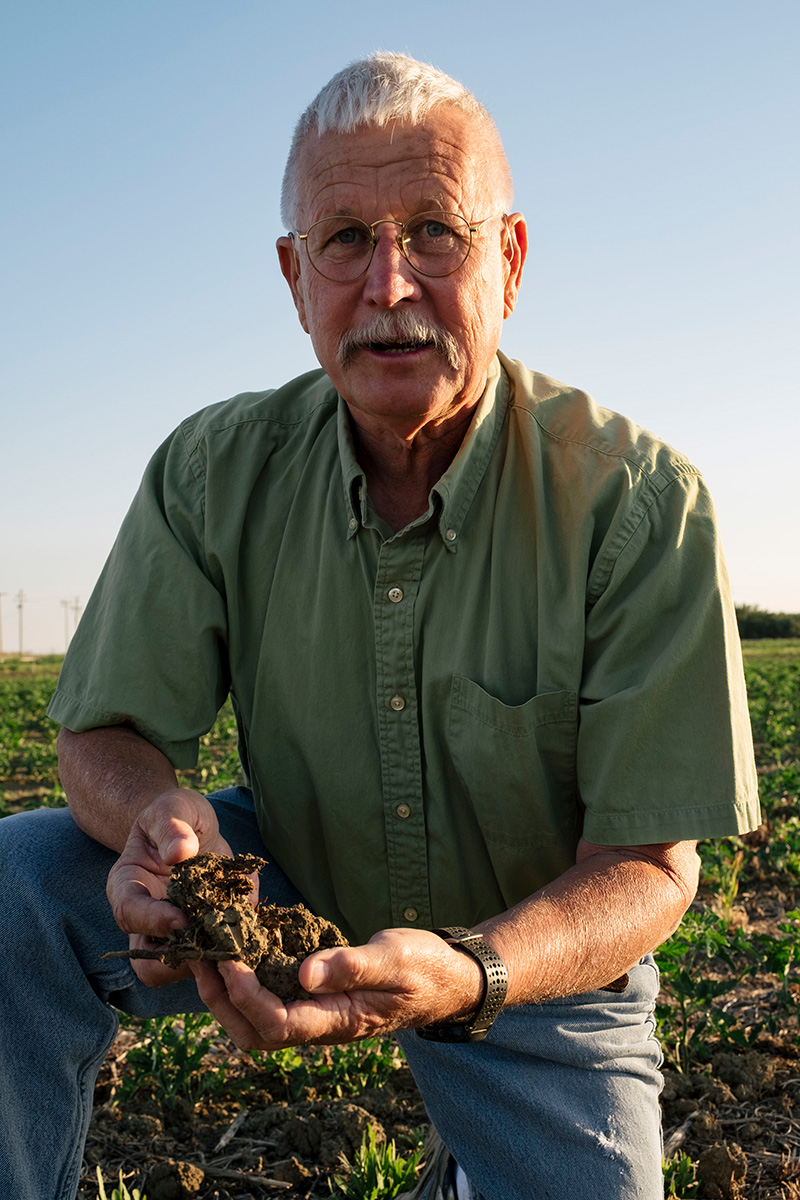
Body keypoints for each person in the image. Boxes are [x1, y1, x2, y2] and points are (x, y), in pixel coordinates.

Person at [0, 52, 759, 1200]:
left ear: (506, 259)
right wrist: (158, 822)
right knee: (21, 882)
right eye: (344, 239)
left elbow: (648, 868)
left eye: (435, 233)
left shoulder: (633, 503)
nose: (388, 284)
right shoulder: (215, 469)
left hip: (529, 949)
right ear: (293, 277)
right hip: (293, 871)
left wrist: (470, 970)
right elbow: (101, 731)